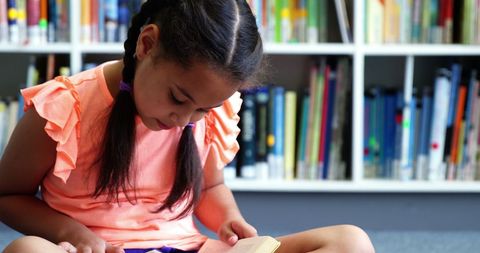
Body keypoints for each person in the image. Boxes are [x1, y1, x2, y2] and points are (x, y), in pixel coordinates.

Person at [0, 1, 375, 253]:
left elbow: (210, 186)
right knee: (25, 250)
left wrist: (229, 220)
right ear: (147, 45)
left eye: (204, 109)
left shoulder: (207, 109)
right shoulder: (66, 106)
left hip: (186, 247)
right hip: (97, 249)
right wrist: (70, 234)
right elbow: (7, 196)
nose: (185, 119)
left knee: (351, 241)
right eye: (179, 99)